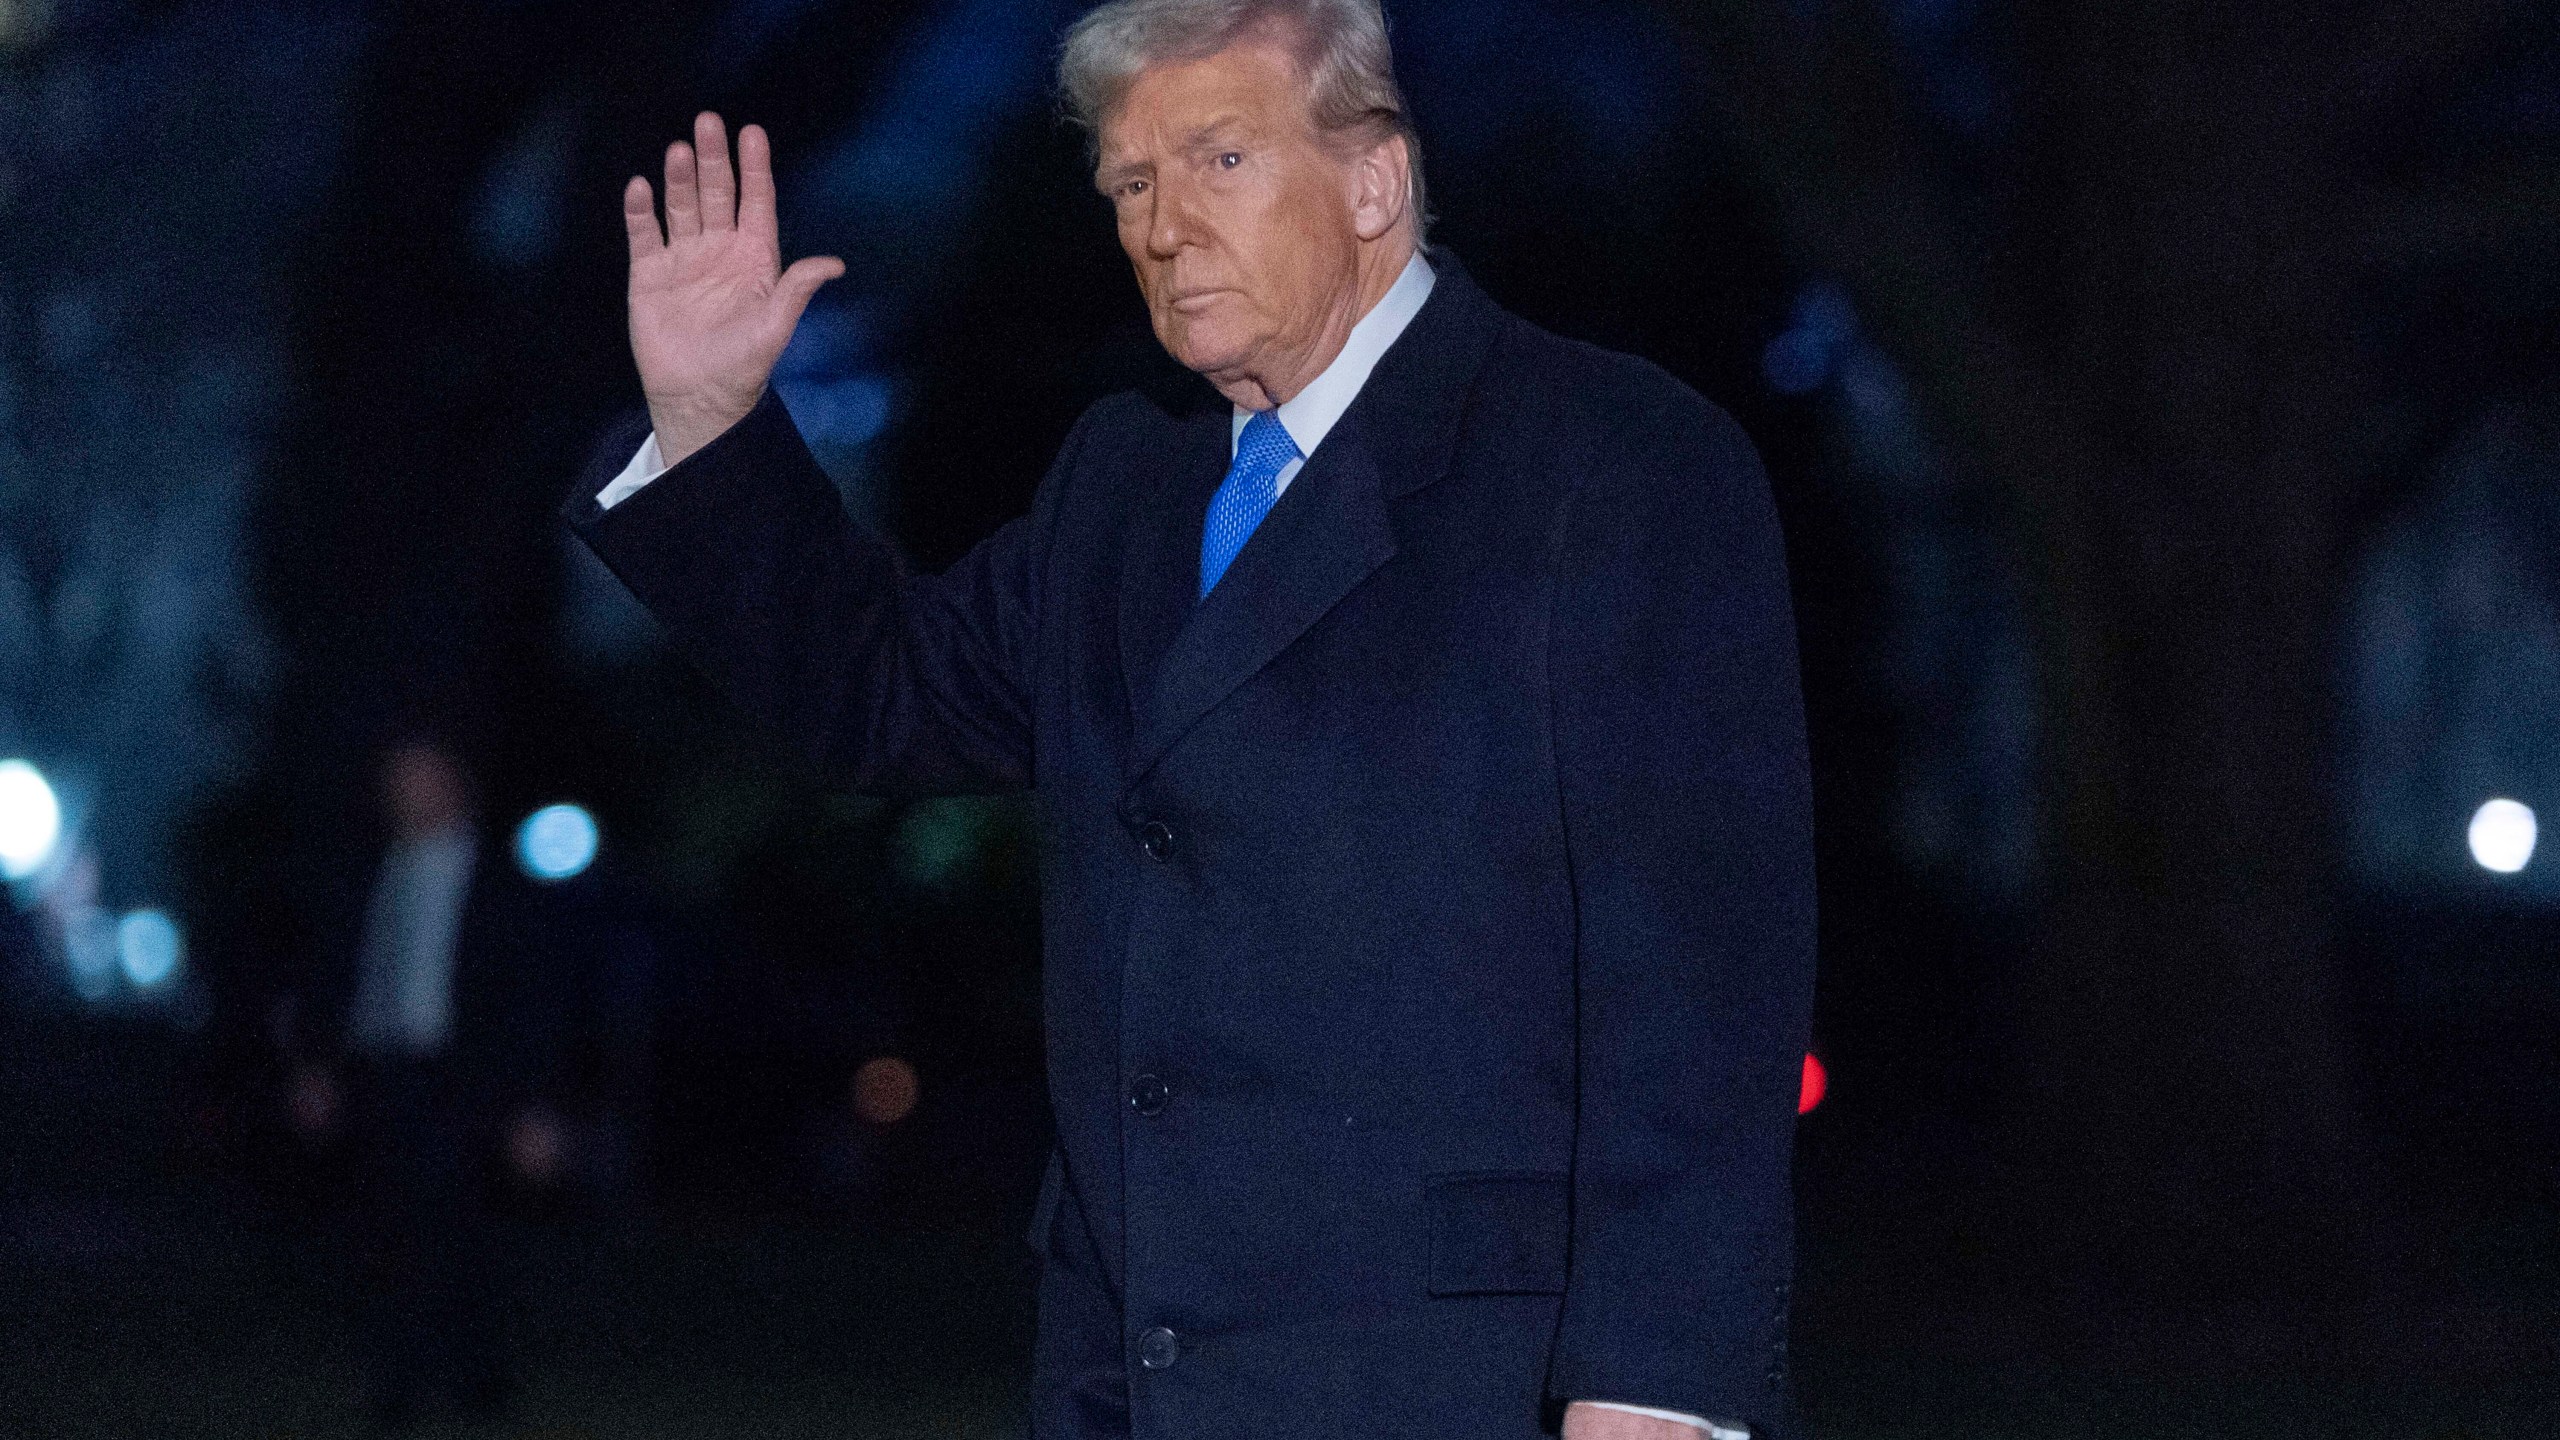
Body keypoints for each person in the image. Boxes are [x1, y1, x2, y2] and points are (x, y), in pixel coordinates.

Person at [568, 1, 1814, 1434]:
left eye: (1217, 160)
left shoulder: (1610, 463)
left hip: (1468, 1386)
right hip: (1134, 1380)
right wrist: (716, 423)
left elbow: (1703, 979)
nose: (1160, 224)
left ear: (1374, 181)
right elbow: (881, 697)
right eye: (1130, 183)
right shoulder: (1123, 495)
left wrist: (1657, 1386)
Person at [284, 739, 624, 1431]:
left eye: (421, 779)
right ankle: (399, 1382)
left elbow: (535, 999)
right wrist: (316, 1068)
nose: (406, 794)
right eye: (396, 780)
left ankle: (474, 1373)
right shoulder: (364, 874)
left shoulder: (499, 883)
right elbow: (330, 978)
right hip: (380, 1071)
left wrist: (533, 1105)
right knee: (383, 1230)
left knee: (462, 1229)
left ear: (455, 786)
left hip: (465, 1076)